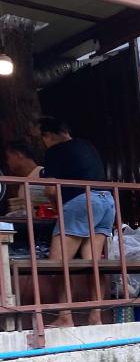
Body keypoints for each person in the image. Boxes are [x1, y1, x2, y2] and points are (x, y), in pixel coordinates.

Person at [39, 117, 116, 326]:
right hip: (107, 201)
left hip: (82, 201)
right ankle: (96, 317)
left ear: (48, 135)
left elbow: (48, 189)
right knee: (93, 263)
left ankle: (65, 317)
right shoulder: (87, 146)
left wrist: (59, 210)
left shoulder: (54, 151)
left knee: (58, 262)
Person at [3, 139, 48, 215]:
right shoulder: (22, 184)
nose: (8, 162)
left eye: (8, 157)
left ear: (19, 154)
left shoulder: (43, 173)